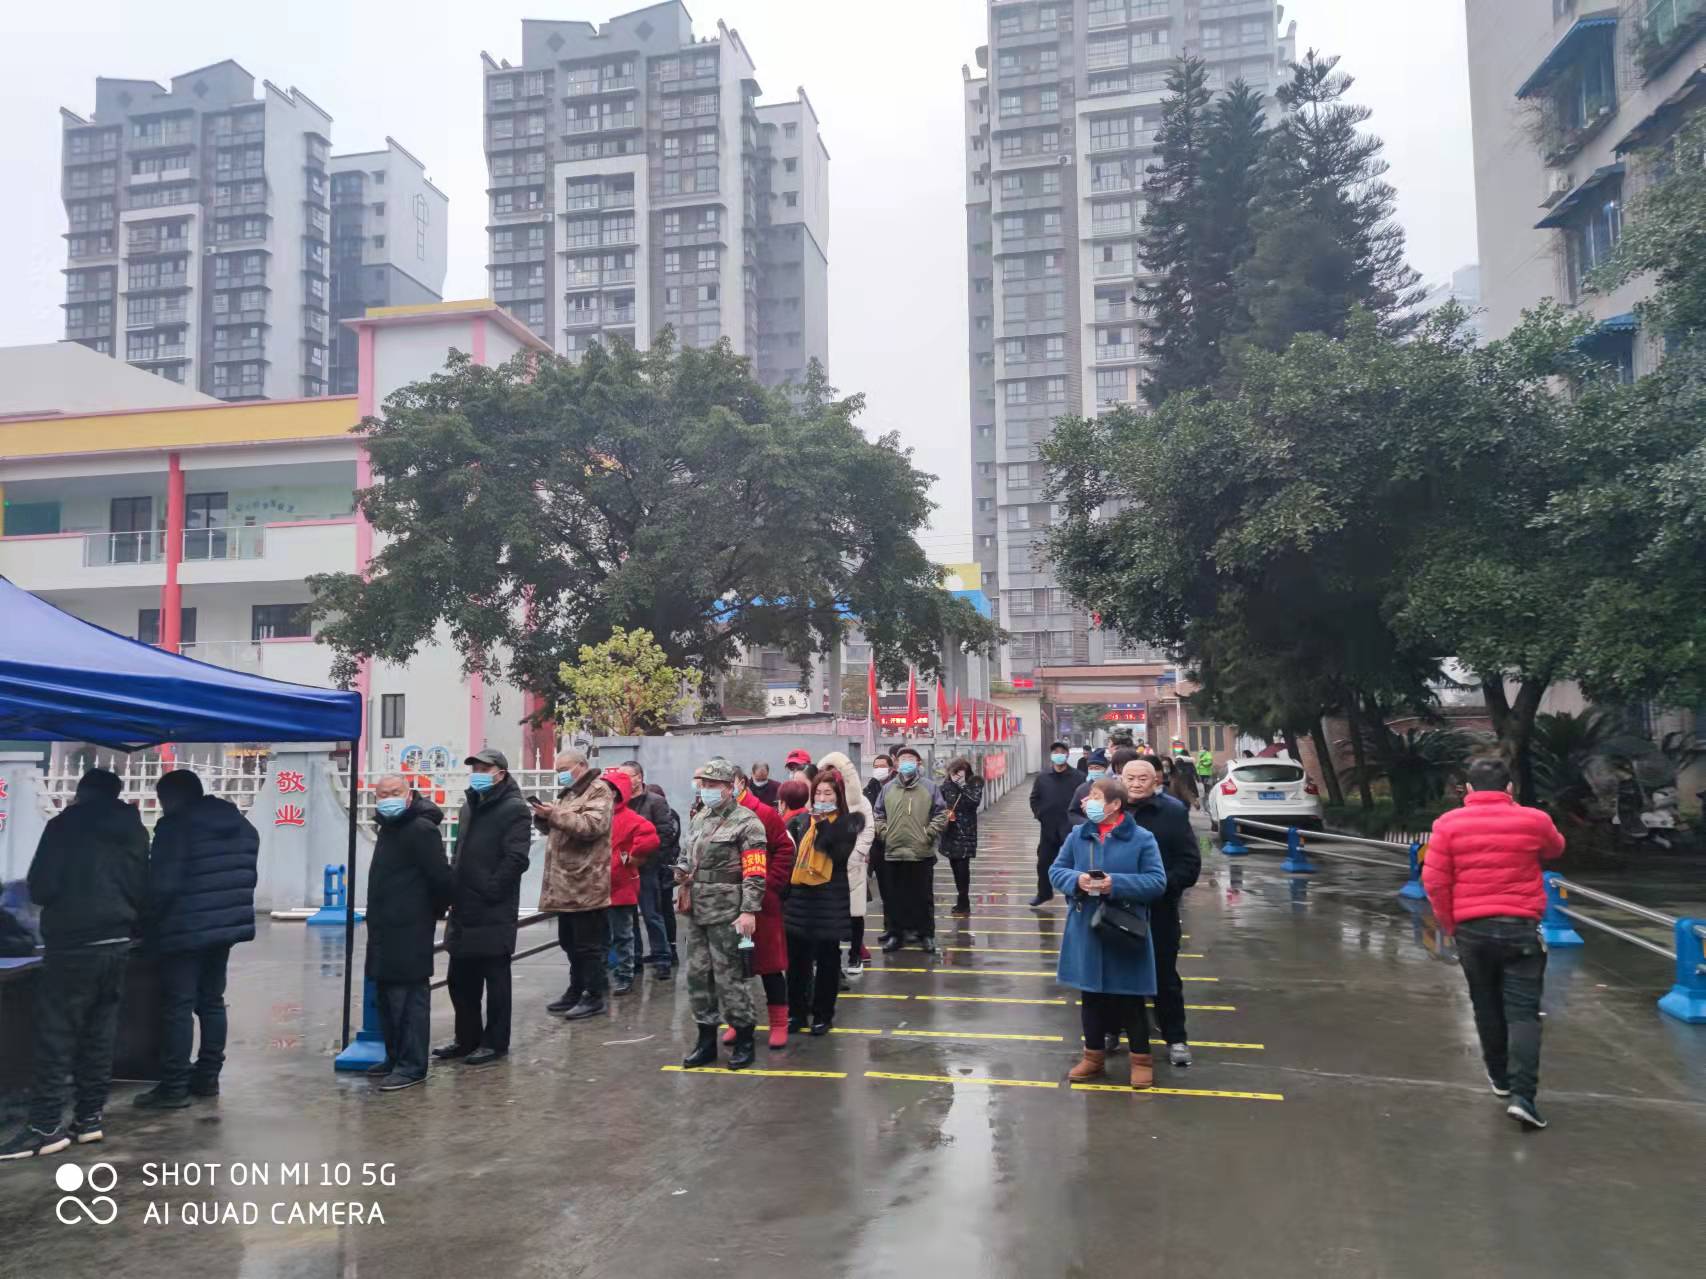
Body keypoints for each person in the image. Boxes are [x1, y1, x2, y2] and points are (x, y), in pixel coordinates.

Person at [0, 769, 147, 1160]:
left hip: (74, 944)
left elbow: (41, 886)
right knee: (100, 1034)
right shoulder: (134, 829)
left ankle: (46, 1127)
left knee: (57, 1035)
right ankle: (89, 1118)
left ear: (80, 793)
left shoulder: (65, 826)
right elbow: (140, 886)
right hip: (118, 943)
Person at [1422, 756, 1566, 1129]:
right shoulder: (1534, 820)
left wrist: (1450, 925)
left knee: (1485, 1006)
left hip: (1472, 931)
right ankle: (1524, 1097)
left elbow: (1435, 881)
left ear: (1468, 789)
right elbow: (1556, 849)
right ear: (1509, 788)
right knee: (1523, 1013)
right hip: (1521, 928)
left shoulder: (1448, 824)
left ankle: (1500, 1078)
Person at [133, 769, 260, 1110]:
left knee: (178, 1006)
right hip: (224, 929)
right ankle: (207, 1078)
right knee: (212, 1001)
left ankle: (174, 1087)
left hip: (184, 928)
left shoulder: (176, 827)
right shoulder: (242, 825)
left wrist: (145, 923)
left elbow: (162, 885)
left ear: (172, 797)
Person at [1049, 776, 1168, 1090]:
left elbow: (1157, 882)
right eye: (1090, 796)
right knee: (1090, 997)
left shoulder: (1142, 838)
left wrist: (1116, 884)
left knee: (1131, 998)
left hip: (1123, 927)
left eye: (1096, 796)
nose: (1088, 802)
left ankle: (1141, 1060)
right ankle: (1093, 1057)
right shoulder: (1078, 835)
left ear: (1115, 804)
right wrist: (1077, 881)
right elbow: (1056, 871)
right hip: (1086, 927)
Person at [437, 749, 532, 1066]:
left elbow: (516, 858)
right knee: (460, 980)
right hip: (463, 907)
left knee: (496, 981)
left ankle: (495, 1043)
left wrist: (491, 890)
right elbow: (459, 852)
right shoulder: (469, 806)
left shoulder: (514, 808)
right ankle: (466, 1039)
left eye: (484, 768)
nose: (477, 773)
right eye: (475, 768)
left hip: (493, 908)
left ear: (500, 773)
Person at [361, 774, 454, 1092]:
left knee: (408, 1000)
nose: (388, 798)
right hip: (384, 927)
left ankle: (412, 1065)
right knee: (387, 998)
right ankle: (394, 1057)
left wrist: (427, 913)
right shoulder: (389, 828)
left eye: (395, 792)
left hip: (410, 928)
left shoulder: (420, 829)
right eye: (382, 794)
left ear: (409, 795)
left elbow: (441, 879)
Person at [677, 759, 770, 1071]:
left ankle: (744, 1038)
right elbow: (686, 854)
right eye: (703, 784)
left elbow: (755, 872)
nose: (706, 790)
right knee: (697, 976)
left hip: (728, 912)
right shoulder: (699, 817)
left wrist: (749, 910)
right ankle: (705, 1040)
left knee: (730, 978)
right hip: (697, 910)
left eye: (713, 785)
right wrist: (680, 869)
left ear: (730, 787)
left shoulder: (748, 822)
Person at [1116, 755, 1201, 1066]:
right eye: (1130, 778)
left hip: (1159, 909)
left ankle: (1176, 1038)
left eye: (1143, 779)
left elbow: (1189, 863)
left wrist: (1162, 886)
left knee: (1164, 976)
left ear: (1157, 781)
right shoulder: (1110, 810)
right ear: (1120, 780)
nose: (1136, 784)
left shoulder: (1173, 812)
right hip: (1117, 909)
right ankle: (1111, 1032)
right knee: (1116, 975)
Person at [532, 749, 614, 1020]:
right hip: (563, 884)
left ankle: (594, 994)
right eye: (558, 770)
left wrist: (555, 814)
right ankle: (576, 988)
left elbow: (591, 826)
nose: (561, 775)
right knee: (569, 942)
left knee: (588, 945)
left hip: (586, 883)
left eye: (565, 769)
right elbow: (557, 828)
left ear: (582, 765)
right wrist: (544, 817)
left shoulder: (599, 791)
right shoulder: (569, 794)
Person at [783, 772, 863, 1034]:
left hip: (829, 899)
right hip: (800, 898)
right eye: (817, 793)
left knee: (828, 959)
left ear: (838, 796)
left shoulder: (848, 823)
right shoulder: (800, 821)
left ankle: (823, 1014)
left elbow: (839, 854)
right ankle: (797, 1012)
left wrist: (823, 826)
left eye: (828, 793)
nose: (822, 798)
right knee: (797, 961)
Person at [731, 767, 796, 1050]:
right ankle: (737, 1021)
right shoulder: (713, 815)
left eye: (726, 783)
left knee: (769, 966)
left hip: (762, 903)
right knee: (733, 968)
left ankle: (779, 1023)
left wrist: (770, 884)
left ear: (741, 783)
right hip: (727, 903)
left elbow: (784, 849)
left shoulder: (764, 813)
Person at [874, 746, 949, 952]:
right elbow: (878, 814)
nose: (906, 762)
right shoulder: (888, 789)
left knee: (923, 897)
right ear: (896, 764)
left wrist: (928, 834)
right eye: (902, 759)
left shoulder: (929, 787)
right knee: (895, 897)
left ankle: (926, 934)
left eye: (910, 759)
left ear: (918, 763)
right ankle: (896, 934)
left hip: (920, 852)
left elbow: (941, 813)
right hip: (894, 851)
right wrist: (886, 834)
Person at [601, 769, 661, 996]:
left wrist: (629, 858)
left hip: (621, 885)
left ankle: (624, 976)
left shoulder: (630, 818)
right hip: (598, 886)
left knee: (622, 934)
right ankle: (602, 974)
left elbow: (650, 838)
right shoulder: (598, 815)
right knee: (601, 936)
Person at [618, 761, 679, 980]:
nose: (623, 781)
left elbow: (665, 835)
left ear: (639, 777)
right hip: (625, 869)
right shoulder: (620, 802)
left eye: (627, 776)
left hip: (647, 868)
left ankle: (662, 958)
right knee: (629, 917)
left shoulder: (655, 802)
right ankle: (634, 959)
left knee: (652, 914)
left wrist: (647, 858)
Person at [819, 751, 875, 973]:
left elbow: (867, 830)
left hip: (852, 866)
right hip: (827, 867)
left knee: (855, 914)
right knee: (829, 915)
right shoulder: (821, 801)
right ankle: (831, 959)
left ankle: (855, 955)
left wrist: (855, 854)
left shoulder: (860, 801)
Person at [1028, 741, 1081, 907]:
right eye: (1055, 752)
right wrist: (1040, 815)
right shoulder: (1042, 777)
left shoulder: (1079, 777)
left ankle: (1075, 895)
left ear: (1067, 754)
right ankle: (1044, 893)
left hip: (1070, 829)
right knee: (1043, 862)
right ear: (1051, 756)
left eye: (1062, 752)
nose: (1059, 755)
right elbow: (1034, 798)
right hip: (1048, 829)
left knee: (1073, 864)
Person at [939, 757, 985, 915]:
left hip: (966, 832)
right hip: (950, 831)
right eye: (953, 773)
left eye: (959, 772)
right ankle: (961, 898)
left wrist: (963, 785)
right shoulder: (946, 786)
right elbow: (939, 803)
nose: (956, 776)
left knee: (962, 866)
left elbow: (974, 802)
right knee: (954, 864)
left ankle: (963, 900)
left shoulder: (975, 783)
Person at [865, 753, 895, 946]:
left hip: (893, 844)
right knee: (882, 890)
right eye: (876, 766)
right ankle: (888, 927)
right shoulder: (869, 789)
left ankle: (895, 927)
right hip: (874, 846)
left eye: (882, 766)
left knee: (893, 891)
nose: (878, 769)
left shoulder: (896, 787)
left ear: (891, 768)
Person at [1067, 749, 1110, 824]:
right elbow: (1072, 813)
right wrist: (1085, 823)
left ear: (1105, 769)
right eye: (1091, 768)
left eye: (1097, 768)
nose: (1094, 771)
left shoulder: (1113, 788)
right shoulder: (1082, 789)